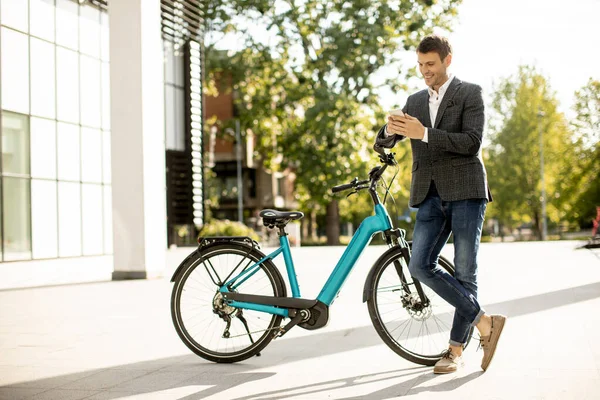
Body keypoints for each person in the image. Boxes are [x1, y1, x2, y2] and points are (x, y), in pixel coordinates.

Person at [375, 35, 506, 374]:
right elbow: (389, 140)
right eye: (420, 65)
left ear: (448, 60)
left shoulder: (470, 93)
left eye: (430, 64)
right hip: (428, 193)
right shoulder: (415, 100)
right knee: (420, 265)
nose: (424, 71)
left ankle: (454, 350)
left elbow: (472, 143)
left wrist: (425, 134)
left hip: (465, 189)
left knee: (465, 272)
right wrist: (389, 129)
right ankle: (486, 323)